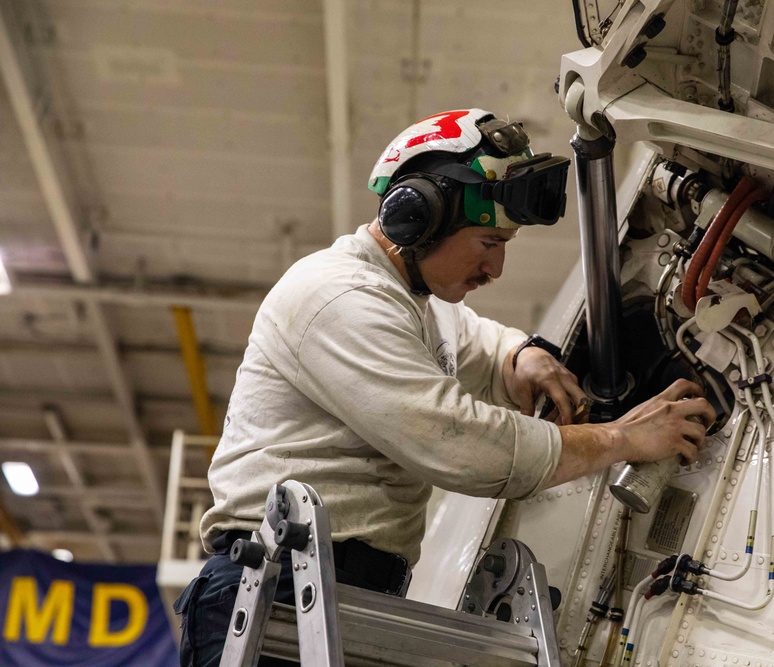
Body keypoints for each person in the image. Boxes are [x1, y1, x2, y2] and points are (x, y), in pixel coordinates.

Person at [174, 109, 716, 666]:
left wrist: (522, 355)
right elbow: (466, 449)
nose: (496, 268)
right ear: (418, 217)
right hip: (276, 595)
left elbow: (478, 342)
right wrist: (622, 439)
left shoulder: (418, 308)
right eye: (488, 241)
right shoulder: (337, 298)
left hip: (343, 598)